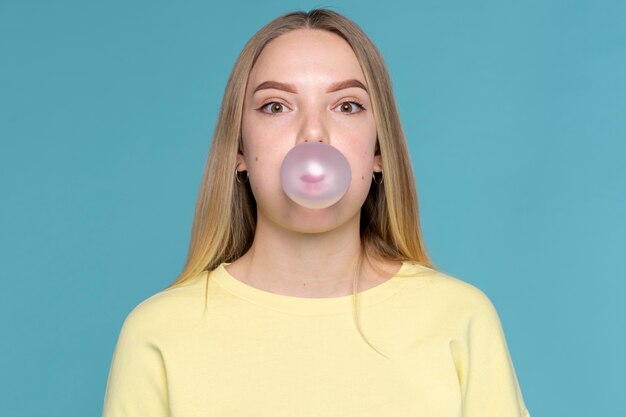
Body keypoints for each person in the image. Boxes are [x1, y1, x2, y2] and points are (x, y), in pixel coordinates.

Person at [102, 9, 530, 417]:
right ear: (239, 150)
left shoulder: (459, 318)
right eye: (276, 106)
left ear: (379, 150)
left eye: (346, 106)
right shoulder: (159, 333)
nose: (313, 133)